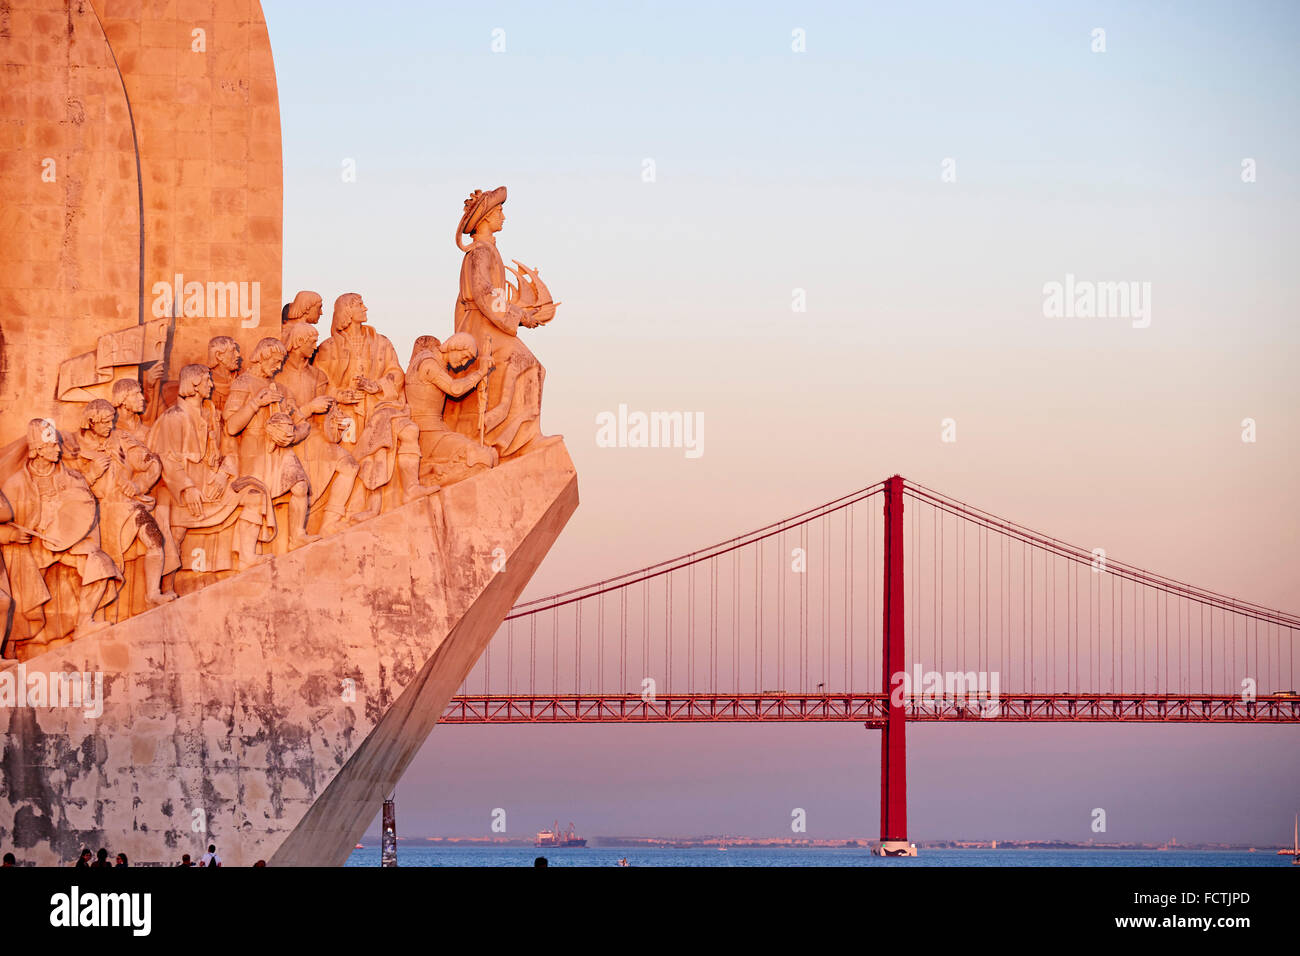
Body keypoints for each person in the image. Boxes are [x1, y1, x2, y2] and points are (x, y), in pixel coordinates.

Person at [442, 186, 555, 460]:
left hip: (490, 321)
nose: (503, 216)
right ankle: (513, 438)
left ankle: (520, 435)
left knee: (530, 366)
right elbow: (483, 294)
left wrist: (519, 313)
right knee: (527, 363)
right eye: (499, 211)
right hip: (481, 326)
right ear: (485, 218)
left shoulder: (487, 250)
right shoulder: (480, 252)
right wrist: (518, 316)